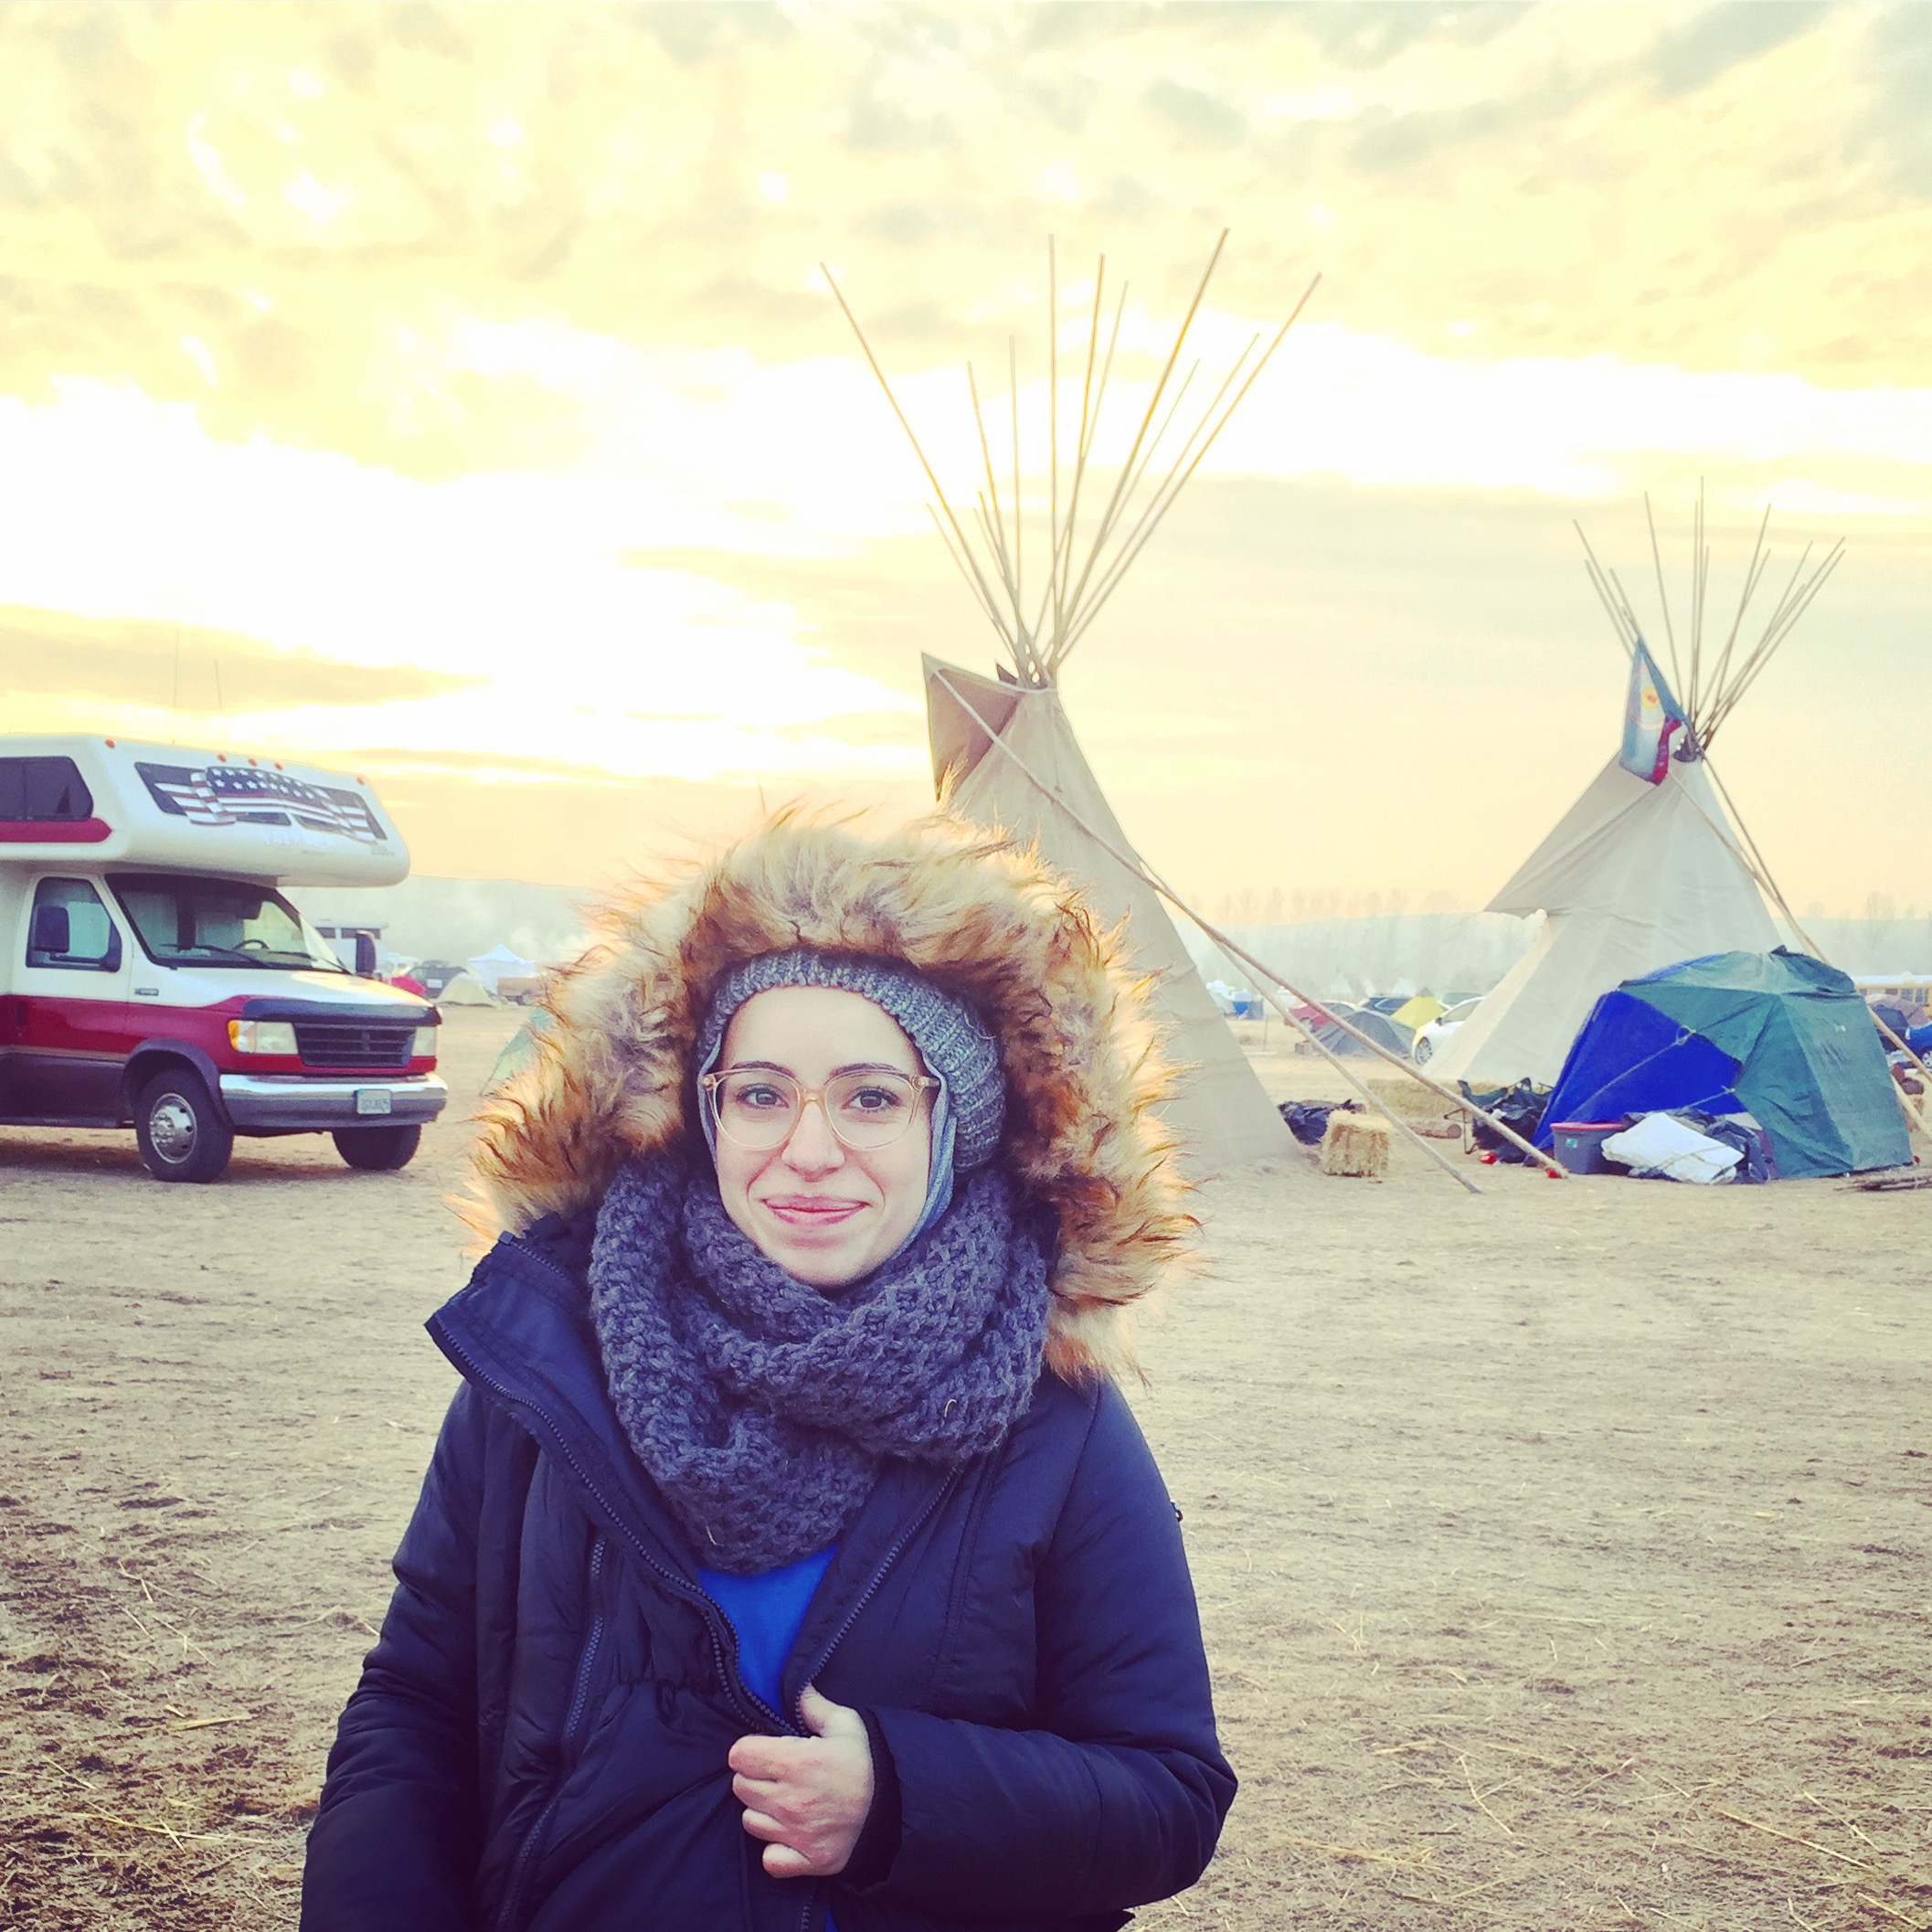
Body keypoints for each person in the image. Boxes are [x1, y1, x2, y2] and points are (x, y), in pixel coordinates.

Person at [301, 813, 1236, 1932]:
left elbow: (1166, 1792)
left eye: (870, 1096)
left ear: (955, 1125)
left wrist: (903, 1794)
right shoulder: (553, 1357)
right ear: (705, 1112)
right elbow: (416, 1703)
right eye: (759, 1093)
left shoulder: (1052, 1417)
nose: (807, 1150)